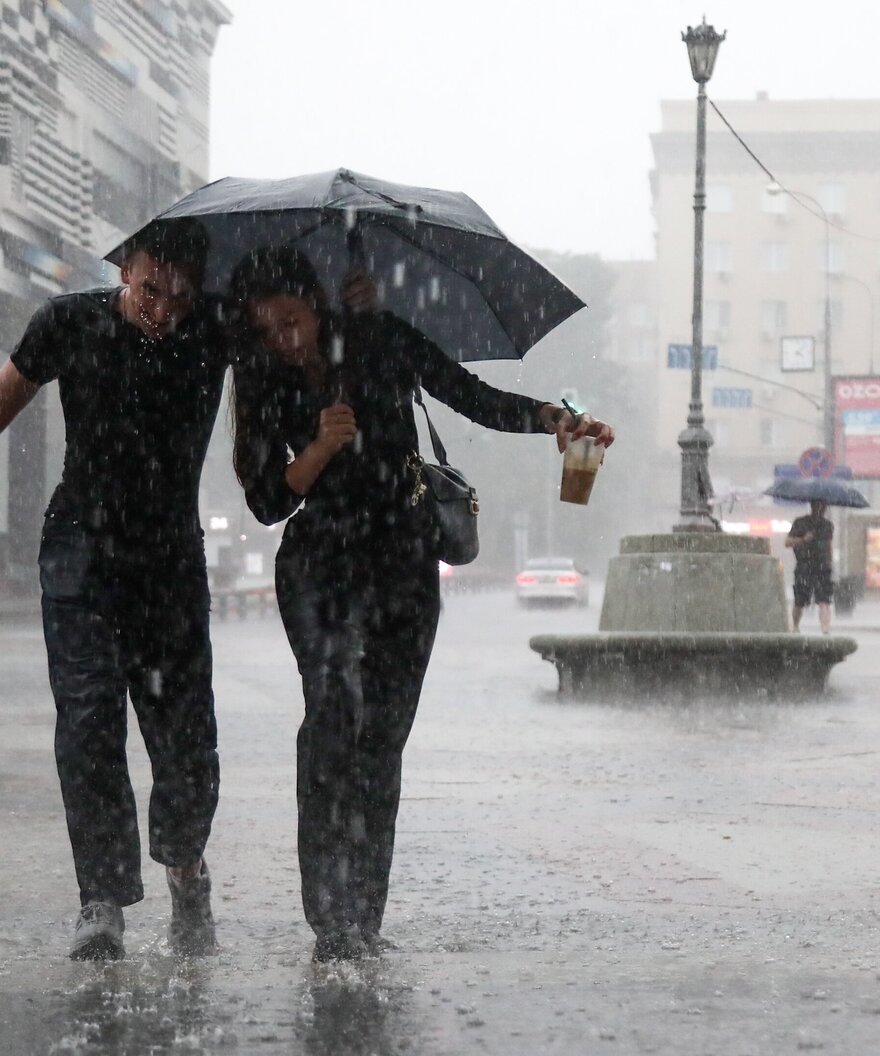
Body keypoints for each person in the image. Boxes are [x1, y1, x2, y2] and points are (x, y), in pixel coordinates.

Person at [227, 247, 614, 963]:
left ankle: (362, 918)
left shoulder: (381, 336)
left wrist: (567, 417)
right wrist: (317, 447)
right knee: (332, 716)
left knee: (382, 740)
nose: (283, 338)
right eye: (266, 329)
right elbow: (265, 499)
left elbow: (473, 396)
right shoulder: (256, 376)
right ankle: (329, 919)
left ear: (316, 304)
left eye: (292, 320)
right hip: (318, 568)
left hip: (402, 564)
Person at [0, 221, 224, 960]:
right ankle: (101, 898)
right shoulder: (69, 322)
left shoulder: (214, 333)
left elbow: (299, 337)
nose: (162, 309)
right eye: (149, 289)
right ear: (125, 270)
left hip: (169, 561)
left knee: (183, 736)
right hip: (80, 550)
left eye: (179, 296)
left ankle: (186, 869)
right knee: (90, 720)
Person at [786, 499, 834, 634]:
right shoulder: (800, 523)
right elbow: (787, 542)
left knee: (824, 600)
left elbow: (828, 545)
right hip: (804, 565)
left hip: (822, 567)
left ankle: (825, 629)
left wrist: (829, 562)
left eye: (823, 506)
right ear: (812, 506)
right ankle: (795, 626)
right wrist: (803, 539)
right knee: (799, 601)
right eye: (818, 506)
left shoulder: (827, 525)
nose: (820, 509)